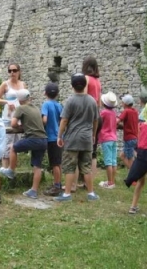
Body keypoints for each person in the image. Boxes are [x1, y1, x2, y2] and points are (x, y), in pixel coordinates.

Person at [54, 73, 99, 202]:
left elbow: (64, 121)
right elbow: (96, 120)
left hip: (72, 138)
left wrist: (59, 136)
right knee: (86, 166)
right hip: (86, 138)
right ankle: (91, 193)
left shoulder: (70, 100)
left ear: (72, 86)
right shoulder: (92, 100)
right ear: (85, 85)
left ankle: (67, 194)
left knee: (69, 166)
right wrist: (93, 134)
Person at [0, 89, 48, 199]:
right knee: (37, 166)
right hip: (43, 139)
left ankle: (11, 171)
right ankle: (34, 191)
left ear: (19, 100)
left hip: (33, 139)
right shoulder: (35, 108)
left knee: (13, 147)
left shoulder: (21, 108)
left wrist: (20, 126)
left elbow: (13, 124)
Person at [127, 99, 147, 223]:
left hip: (142, 157)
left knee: (140, 182)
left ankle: (133, 207)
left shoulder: (141, 126)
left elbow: (139, 142)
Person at [0, 63, 26, 171]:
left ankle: (13, 170)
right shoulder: (5, 84)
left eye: (14, 70)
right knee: (7, 144)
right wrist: (7, 102)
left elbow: (25, 100)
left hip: (19, 118)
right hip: (8, 118)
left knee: (16, 145)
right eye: (10, 71)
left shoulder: (23, 84)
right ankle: (5, 169)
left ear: (19, 72)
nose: (12, 73)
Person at [82, 56, 102, 180]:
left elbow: (83, 97)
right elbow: (99, 102)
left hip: (87, 116)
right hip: (97, 116)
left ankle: (83, 178)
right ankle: (91, 180)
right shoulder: (98, 81)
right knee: (93, 151)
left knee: (82, 149)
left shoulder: (86, 79)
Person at [41, 83, 64, 196]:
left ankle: (56, 187)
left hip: (51, 138)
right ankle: (58, 183)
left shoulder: (46, 104)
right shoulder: (59, 105)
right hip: (59, 136)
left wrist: (40, 124)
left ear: (45, 93)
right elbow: (62, 119)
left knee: (54, 163)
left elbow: (44, 120)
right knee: (58, 162)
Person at [98, 91, 118, 189]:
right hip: (114, 138)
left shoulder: (103, 112)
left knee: (108, 161)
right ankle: (112, 181)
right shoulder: (114, 113)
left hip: (106, 138)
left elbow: (98, 122)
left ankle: (109, 183)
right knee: (113, 161)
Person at [117, 94, 138, 170]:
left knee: (130, 159)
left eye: (122, 102)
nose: (121, 103)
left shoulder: (126, 111)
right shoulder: (135, 111)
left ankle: (133, 178)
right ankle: (132, 173)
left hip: (129, 139)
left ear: (125, 104)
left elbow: (118, 121)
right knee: (122, 156)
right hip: (135, 138)